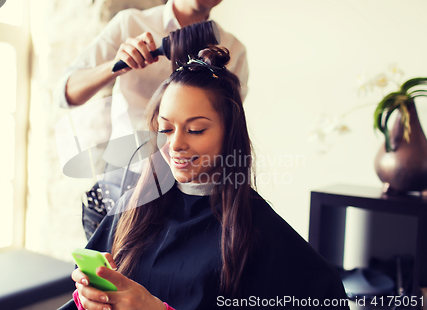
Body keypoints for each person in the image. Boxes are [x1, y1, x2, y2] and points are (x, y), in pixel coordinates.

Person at [58, 46, 349, 310]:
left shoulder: (257, 232)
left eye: (195, 129)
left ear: (229, 134)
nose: (175, 144)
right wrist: (91, 299)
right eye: (166, 129)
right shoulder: (133, 208)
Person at [54, 0, 249, 239]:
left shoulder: (233, 50)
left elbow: (228, 129)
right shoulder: (131, 24)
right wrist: (116, 66)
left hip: (190, 188)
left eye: (195, 128)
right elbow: (65, 93)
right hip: (127, 175)